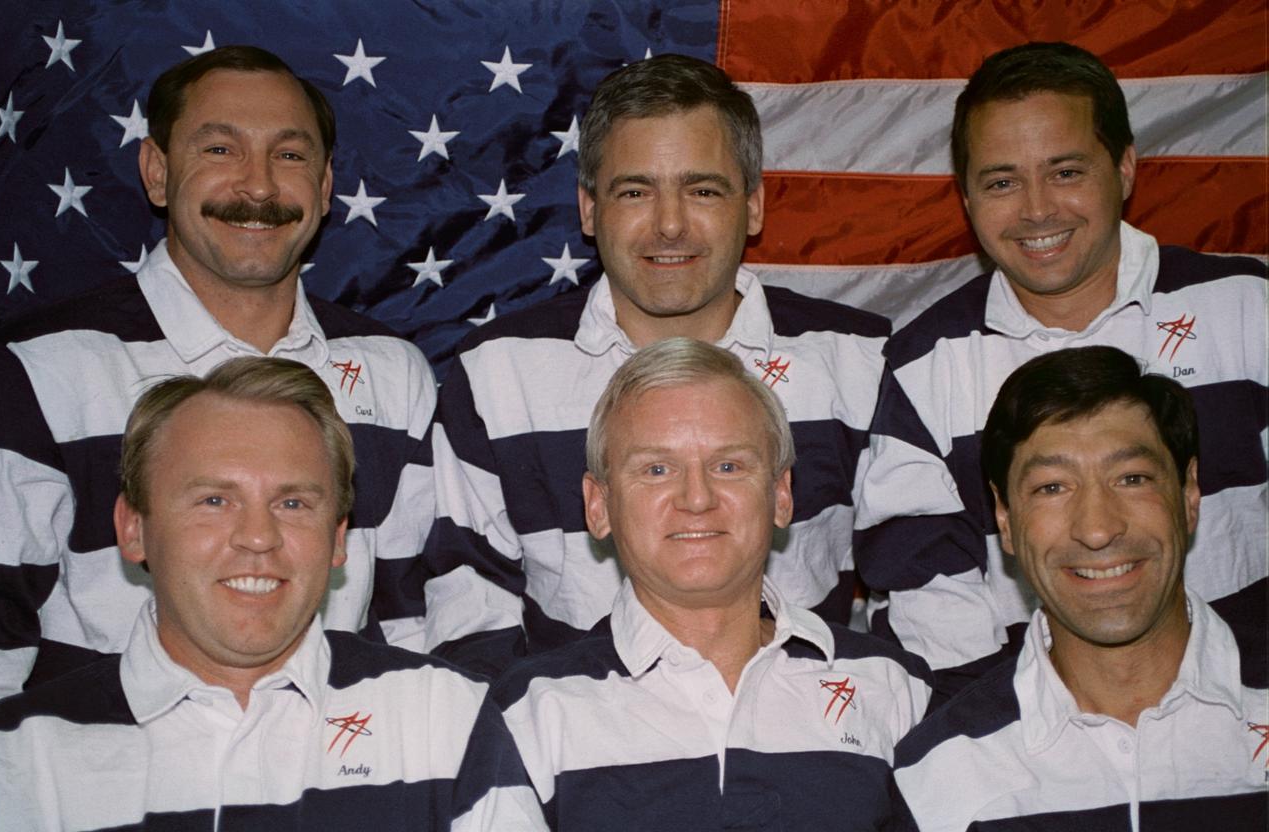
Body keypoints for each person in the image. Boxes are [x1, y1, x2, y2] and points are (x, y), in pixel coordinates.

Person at [0, 46, 437, 702]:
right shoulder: (38, 367)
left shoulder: (391, 373)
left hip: (331, 776)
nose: (257, 188)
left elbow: (409, 629)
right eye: (220, 151)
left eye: (289, 155)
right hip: (104, 785)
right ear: (158, 172)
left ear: (324, 186)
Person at [427, 53, 889, 672]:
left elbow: (911, 595)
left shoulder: (858, 360)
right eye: (636, 191)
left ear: (753, 205)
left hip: (800, 743)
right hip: (573, 748)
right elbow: (469, 618)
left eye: (702, 190)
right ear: (590, 210)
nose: (670, 225)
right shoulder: (498, 372)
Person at [854, 41, 1267, 696]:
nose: (1037, 208)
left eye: (1066, 172)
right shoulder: (924, 365)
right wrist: (1027, 751)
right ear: (965, 198)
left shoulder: (1249, 309)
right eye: (1001, 181)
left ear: (1125, 168)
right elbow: (925, 603)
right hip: (1035, 757)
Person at [0, 357, 543, 830]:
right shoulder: (17, 758)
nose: (258, 536)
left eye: (293, 503)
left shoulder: (444, 718)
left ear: (337, 538)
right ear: (133, 528)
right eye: (214, 501)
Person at [491, 338, 932, 828]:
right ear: (598, 506)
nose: (697, 498)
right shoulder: (530, 711)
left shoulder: (891, 687)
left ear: (781, 495)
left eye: (728, 466)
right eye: (657, 469)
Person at [892, 346, 1267, 830]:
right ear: (1004, 519)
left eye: (1132, 478)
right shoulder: (940, 772)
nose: (1096, 529)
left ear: (1189, 493)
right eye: (1052, 487)